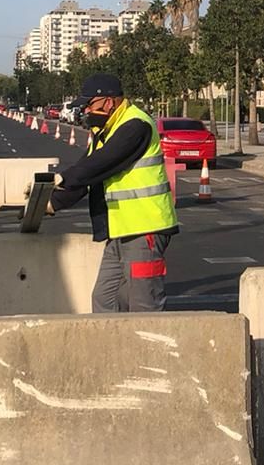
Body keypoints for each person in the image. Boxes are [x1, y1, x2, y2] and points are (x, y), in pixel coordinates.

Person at [49, 72, 178, 312]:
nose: (86, 112)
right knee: (104, 299)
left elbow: (100, 163)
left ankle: (148, 349)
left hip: (145, 230)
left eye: (90, 105)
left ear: (109, 102)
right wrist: (51, 203)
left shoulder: (135, 125)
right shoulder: (107, 130)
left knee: (144, 305)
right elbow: (89, 175)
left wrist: (62, 178)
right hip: (120, 231)